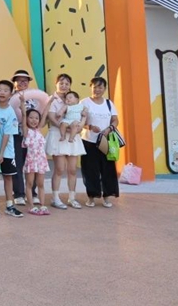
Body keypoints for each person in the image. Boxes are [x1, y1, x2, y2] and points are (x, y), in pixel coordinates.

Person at [9, 69, 49, 205]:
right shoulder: (10, 98)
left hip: (32, 137)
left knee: (32, 163)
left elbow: (40, 114)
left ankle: (32, 192)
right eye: (19, 80)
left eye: (25, 80)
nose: (22, 83)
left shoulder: (35, 98)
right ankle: (19, 193)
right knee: (18, 164)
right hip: (16, 135)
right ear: (14, 82)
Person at [46, 78, 86, 209]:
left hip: (73, 137)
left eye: (67, 84)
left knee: (72, 169)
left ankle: (72, 198)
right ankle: (55, 197)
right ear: (56, 84)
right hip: (59, 135)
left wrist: (79, 126)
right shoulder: (52, 99)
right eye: (61, 83)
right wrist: (63, 127)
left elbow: (83, 116)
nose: (64, 86)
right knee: (59, 168)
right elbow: (51, 117)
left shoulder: (74, 100)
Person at [80, 77, 120, 208]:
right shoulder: (84, 102)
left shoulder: (109, 103)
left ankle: (107, 197)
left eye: (100, 87)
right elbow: (78, 121)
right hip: (89, 141)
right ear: (90, 87)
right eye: (95, 87)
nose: (97, 90)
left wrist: (110, 129)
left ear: (104, 89)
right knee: (90, 170)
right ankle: (91, 197)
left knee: (108, 169)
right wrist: (90, 127)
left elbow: (115, 119)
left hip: (105, 142)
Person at [0, 80, 24, 218]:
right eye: (0, 89)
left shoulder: (11, 112)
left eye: (6, 90)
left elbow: (7, 134)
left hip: (6, 151)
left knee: (8, 177)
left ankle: (9, 205)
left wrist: (1, 153)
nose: (2, 92)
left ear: (11, 94)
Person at [22, 108, 51, 216]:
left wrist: (50, 102)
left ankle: (42, 205)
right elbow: (23, 115)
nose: (34, 120)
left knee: (41, 184)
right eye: (31, 117)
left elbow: (45, 113)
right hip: (31, 160)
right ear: (27, 119)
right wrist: (22, 103)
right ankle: (31, 206)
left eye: (36, 118)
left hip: (41, 161)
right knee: (29, 183)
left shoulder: (39, 130)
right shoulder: (26, 131)